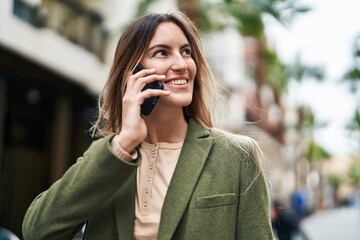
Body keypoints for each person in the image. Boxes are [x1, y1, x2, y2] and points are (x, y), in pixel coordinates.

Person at [22, 11, 273, 240]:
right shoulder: (108, 158)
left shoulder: (236, 157)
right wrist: (123, 144)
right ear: (132, 72)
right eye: (162, 52)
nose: (182, 64)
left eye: (186, 52)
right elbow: (37, 232)